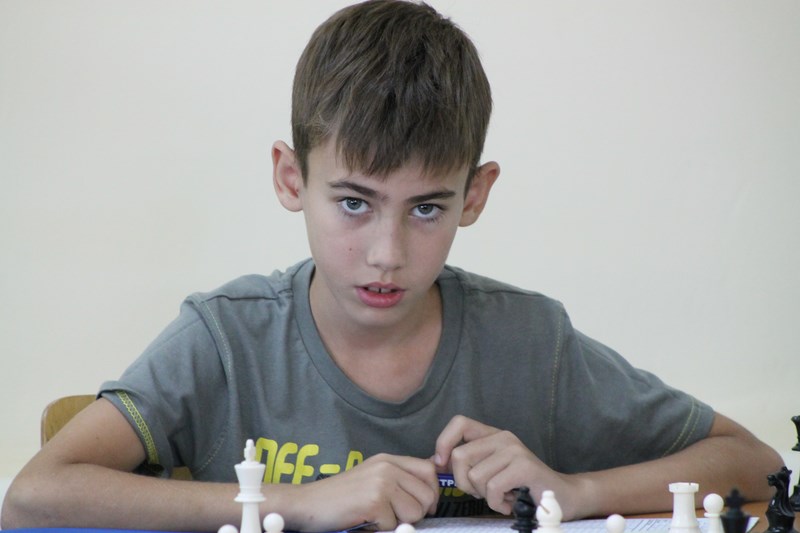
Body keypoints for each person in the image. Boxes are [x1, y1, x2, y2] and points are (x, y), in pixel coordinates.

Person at [0, 1, 783, 532]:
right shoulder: (224, 340)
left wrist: (573, 489)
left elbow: (753, 461)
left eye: (427, 208)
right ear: (290, 178)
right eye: (353, 202)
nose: (387, 252)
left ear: (476, 194)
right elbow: (32, 495)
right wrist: (295, 502)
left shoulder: (530, 342)